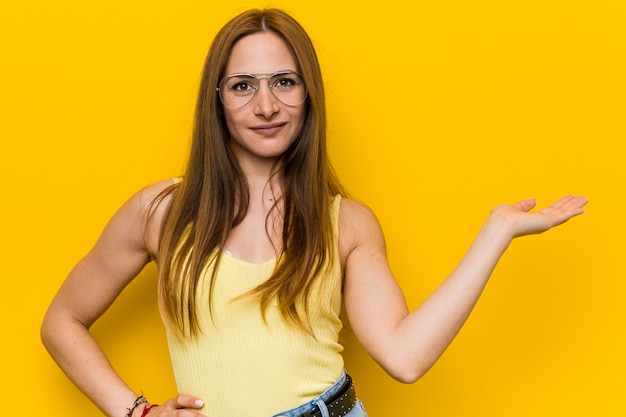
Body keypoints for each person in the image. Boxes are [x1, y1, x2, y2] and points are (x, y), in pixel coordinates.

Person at [41, 8, 588, 417]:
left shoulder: (347, 222)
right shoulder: (161, 211)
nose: (265, 105)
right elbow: (61, 322)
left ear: (308, 94)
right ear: (217, 100)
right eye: (242, 86)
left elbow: (404, 358)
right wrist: (135, 411)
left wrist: (496, 232)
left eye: (284, 82)